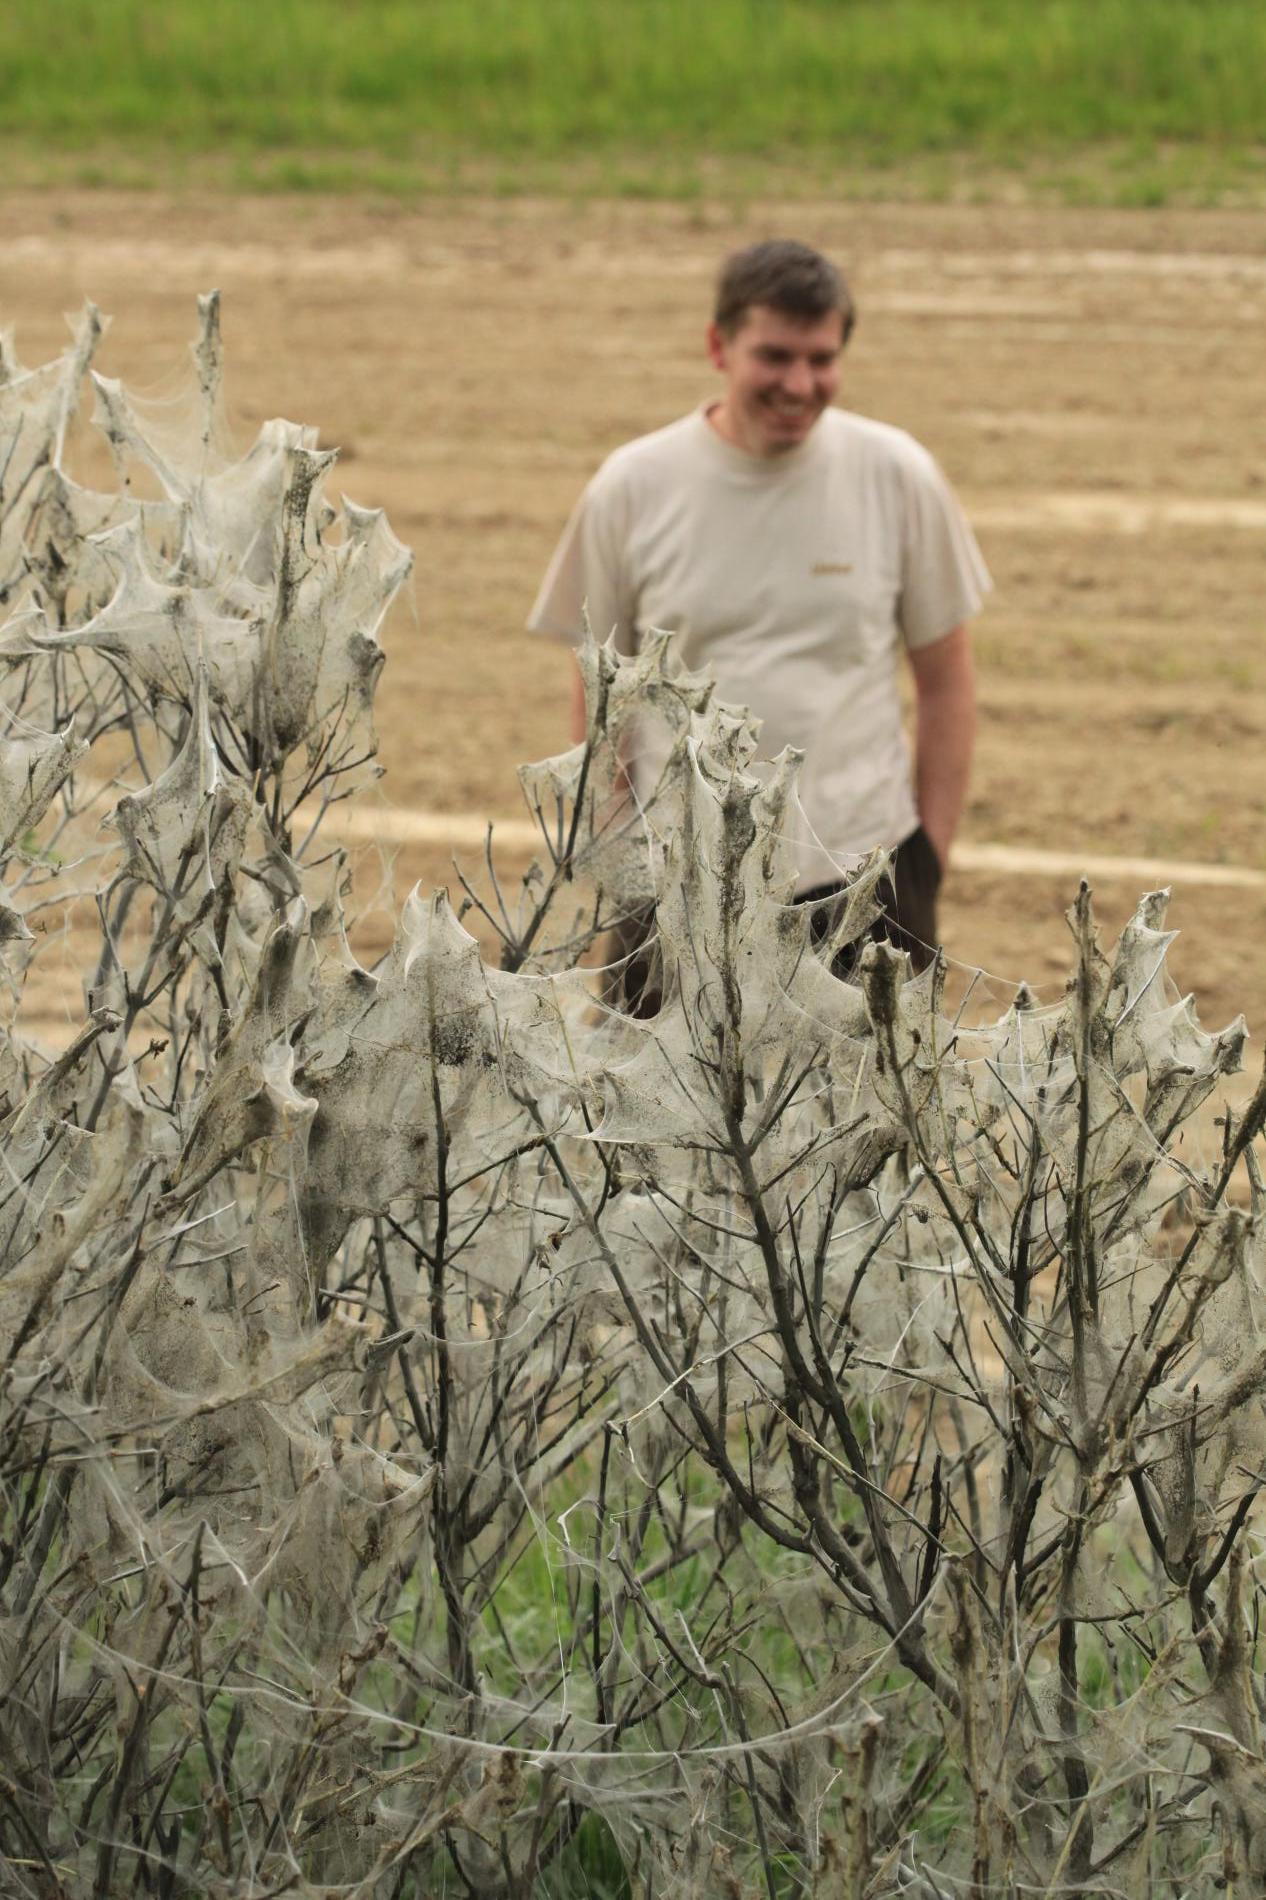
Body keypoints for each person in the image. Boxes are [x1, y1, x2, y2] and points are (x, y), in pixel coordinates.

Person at [528, 238, 989, 983]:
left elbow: (947, 682)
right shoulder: (632, 488)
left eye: (821, 359)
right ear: (719, 346)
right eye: (775, 356)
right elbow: (603, 696)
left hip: (864, 880)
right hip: (679, 884)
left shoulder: (898, 475)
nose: (800, 384)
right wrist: (622, 865)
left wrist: (926, 862)